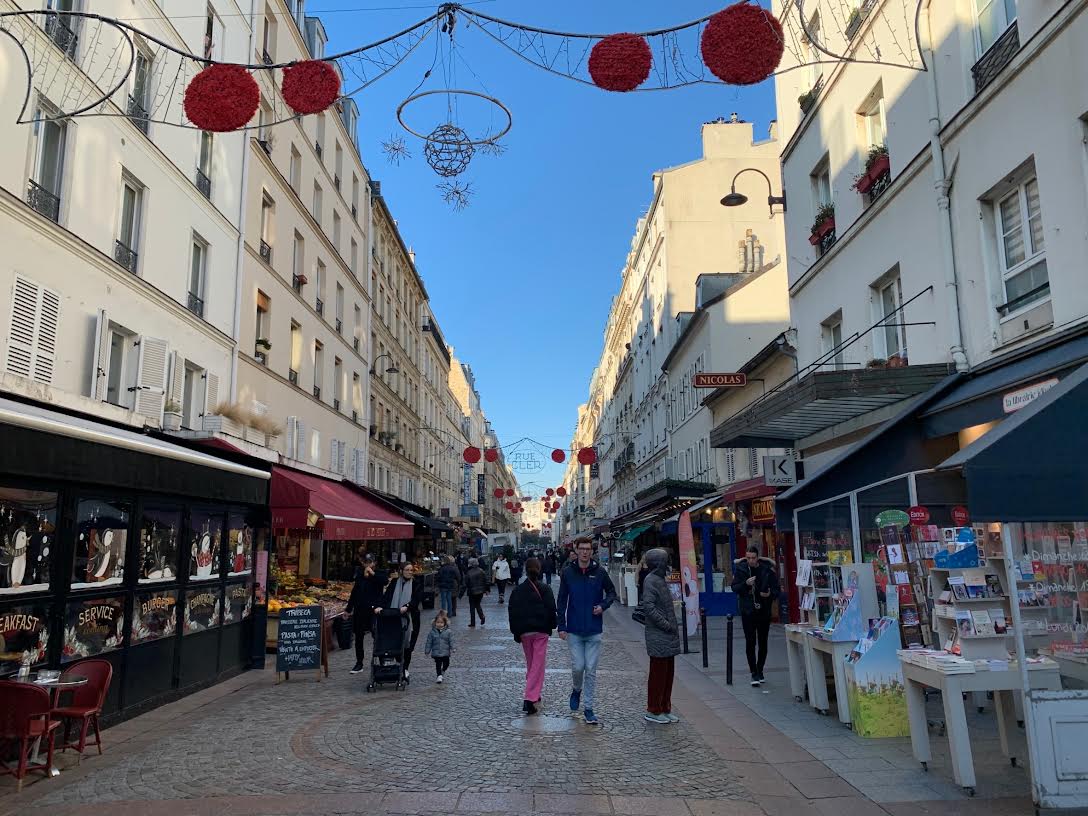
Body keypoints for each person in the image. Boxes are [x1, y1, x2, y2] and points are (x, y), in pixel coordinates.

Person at [556, 537, 617, 726]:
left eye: (588, 549)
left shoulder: (599, 572)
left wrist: (603, 606)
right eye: (581, 548)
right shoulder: (568, 572)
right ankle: (576, 689)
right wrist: (562, 625)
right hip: (574, 629)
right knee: (578, 667)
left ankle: (589, 708)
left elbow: (612, 592)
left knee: (590, 669)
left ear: (592, 551)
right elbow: (562, 600)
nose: (585, 552)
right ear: (576, 550)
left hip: (593, 628)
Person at [508, 557, 557, 715]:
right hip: (541, 631)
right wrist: (553, 625)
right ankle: (530, 697)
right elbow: (551, 609)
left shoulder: (517, 591)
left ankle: (535, 696)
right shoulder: (545, 589)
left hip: (525, 633)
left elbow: (512, 612)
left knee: (532, 665)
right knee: (538, 666)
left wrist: (516, 632)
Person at [638, 548, 681, 724]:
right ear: (658, 563)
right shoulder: (651, 580)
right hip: (659, 634)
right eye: (665, 561)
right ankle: (654, 709)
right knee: (658, 674)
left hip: (667, 634)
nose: (668, 564)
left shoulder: (659, 579)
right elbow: (649, 607)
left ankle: (665, 707)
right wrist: (666, 624)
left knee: (668, 673)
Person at [731, 544, 781, 686]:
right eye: (748, 558)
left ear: (757, 557)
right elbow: (734, 587)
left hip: (763, 610)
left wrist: (770, 594)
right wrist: (746, 584)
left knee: (763, 642)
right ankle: (753, 672)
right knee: (750, 642)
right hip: (748, 611)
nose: (751, 561)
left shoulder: (766, 570)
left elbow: (777, 588)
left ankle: (760, 670)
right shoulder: (741, 569)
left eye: (753, 558)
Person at [376, 562, 423, 680]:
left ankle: (405, 667)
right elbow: (387, 597)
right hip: (394, 617)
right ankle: (398, 664)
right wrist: (380, 606)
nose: (410, 572)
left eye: (411, 570)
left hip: (411, 618)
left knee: (408, 644)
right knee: (394, 641)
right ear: (401, 571)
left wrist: (407, 606)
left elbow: (416, 599)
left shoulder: (416, 583)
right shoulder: (394, 582)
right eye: (407, 570)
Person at [345, 552, 387, 675]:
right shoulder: (359, 574)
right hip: (360, 609)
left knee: (377, 634)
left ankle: (381, 658)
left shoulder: (380, 573)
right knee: (359, 636)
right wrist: (348, 609)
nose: (368, 564)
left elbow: (384, 581)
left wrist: (372, 574)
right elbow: (355, 592)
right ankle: (359, 662)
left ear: (375, 563)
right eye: (366, 562)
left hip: (374, 610)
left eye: (370, 562)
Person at [424, 609, 454, 684]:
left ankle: (443, 670)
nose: (439, 624)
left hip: (445, 652)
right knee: (438, 663)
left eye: (441, 623)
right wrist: (427, 651)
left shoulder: (448, 632)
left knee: (446, 664)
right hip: (436, 652)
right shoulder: (432, 632)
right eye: (438, 622)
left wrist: (453, 648)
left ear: (444, 623)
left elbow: (451, 641)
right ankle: (439, 675)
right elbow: (429, 642)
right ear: (435, 623)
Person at [462, 557, 487, 627]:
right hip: (480, 592)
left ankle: (473, 622)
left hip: (472, 592)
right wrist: (486, 590)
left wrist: (460, 594)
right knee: (478, 604)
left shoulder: (468, 573)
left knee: (472, 607)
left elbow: (465, 584)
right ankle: (482, 617)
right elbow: (486, 581)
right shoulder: (481, 571)